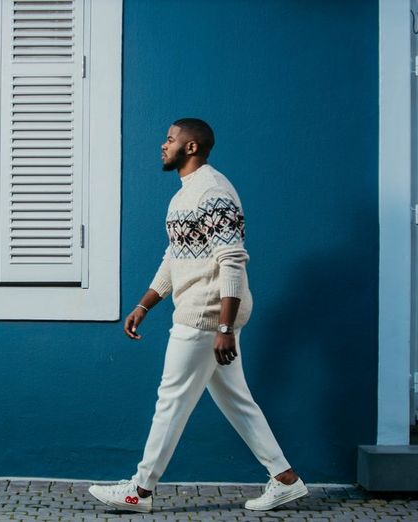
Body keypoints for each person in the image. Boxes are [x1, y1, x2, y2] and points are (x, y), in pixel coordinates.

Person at [88, 118, 308, 513]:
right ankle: (285, 478)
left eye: (170, 139)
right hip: (203, 313)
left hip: (206, 316)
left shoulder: (215, 191)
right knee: (237, 402)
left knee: (170, 399)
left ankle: (140, 490)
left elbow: (232, 261)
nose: (163, 144)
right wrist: (144, 305)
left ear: (191, 147)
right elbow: (174, 259)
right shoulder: (182, 197)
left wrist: (224, 326)